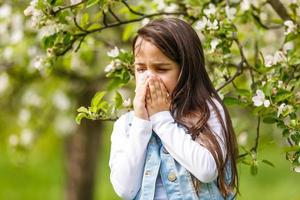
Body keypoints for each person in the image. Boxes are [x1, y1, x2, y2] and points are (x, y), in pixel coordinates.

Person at [109, 17, 239, 200]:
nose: (149, 78)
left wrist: (162, 120)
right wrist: (141, 122)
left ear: (186, 70)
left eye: (161, 69)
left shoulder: (208, 112)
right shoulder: (127, 125)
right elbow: (124, 189)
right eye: (140, 69)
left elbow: (207, 170)